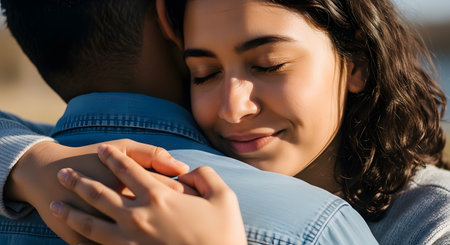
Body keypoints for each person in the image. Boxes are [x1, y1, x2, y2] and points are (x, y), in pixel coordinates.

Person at [51, 0, 450, 244]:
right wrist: (27, 165)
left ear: (357, 61)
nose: (232, 108)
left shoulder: (432, 222)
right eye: (204, 73)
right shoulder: (180, 178)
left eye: (269, 65)